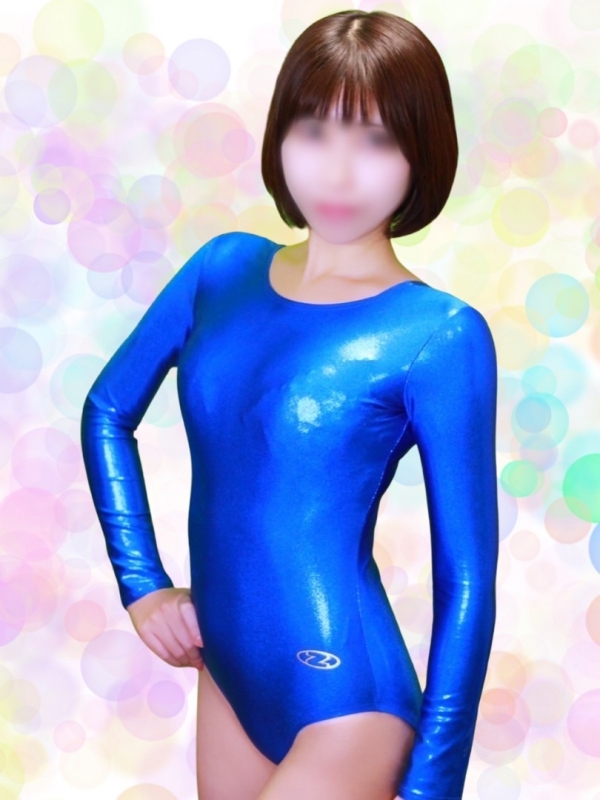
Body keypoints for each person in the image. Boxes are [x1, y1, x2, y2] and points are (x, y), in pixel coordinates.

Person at [80, 9, 499, 800]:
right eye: (315, 131)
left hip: (348, 700)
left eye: (376, 140)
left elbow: (467, 582)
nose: (338, 173)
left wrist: (434, 787)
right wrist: (142, 583)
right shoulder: (222, 270)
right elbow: (108, 410)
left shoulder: (439, 334)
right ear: (280, 135)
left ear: (422, 152)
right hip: (227, 676)